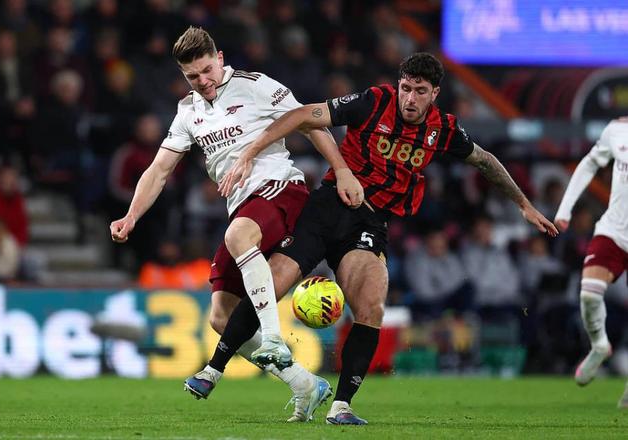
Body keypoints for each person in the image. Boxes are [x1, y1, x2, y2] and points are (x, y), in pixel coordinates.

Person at [193, 52, 558, 425]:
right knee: (270, 285)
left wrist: (524, 205)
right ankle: (213, 369)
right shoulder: (373, 102)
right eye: (405, 88)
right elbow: (303, 115)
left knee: (371, 306)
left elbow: (485, 160)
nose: (410, 98)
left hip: (369, 224)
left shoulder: (444, 129)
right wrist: (251, 153)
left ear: (435, 93)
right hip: (326, 209)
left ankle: (341, 405)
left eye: (419, 91)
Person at [109, 27, 364, 422]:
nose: (203, 81)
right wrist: (131, 215)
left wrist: (342, 170)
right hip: (243, 207)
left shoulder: (255, 85)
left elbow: (311, 122)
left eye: (207, 70)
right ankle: (304, 383)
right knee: (220, 315)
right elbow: (159, 169)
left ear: (220, 59)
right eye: (192, 76)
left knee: (238, 234)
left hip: (281, 188)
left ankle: (273, 337)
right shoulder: (187, 111)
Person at [554, 117, 628, 408]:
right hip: (614, 231)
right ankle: (599, 344)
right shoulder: (617, 130)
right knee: (588, 294)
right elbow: (589, 163)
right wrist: (565, 210)